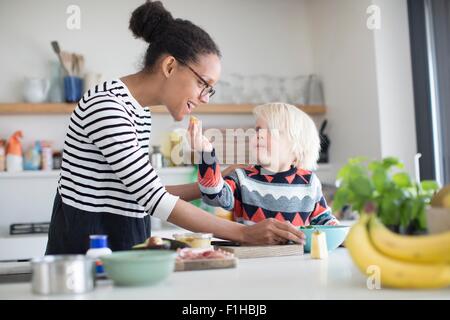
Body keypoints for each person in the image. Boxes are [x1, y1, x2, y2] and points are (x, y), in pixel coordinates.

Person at [45, 1, 304, 254]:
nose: (205, 98)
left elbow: (134, 191)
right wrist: (244, 232)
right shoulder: (108, 107)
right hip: (85, 251)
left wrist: (216, 179)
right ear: (170, 66)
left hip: (120, 245)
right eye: (204, 84)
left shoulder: (138, 110)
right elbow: (153, 198)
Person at [189, 103, 339, 232]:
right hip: (253, 260)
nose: (260, 135)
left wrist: (343, 236)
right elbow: (213, 196)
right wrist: (206, 153)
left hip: (296, 261)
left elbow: (324, 220)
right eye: (258, 130)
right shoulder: (242, 178)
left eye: (272, 131)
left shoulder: (310, 183)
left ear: (296, 149)